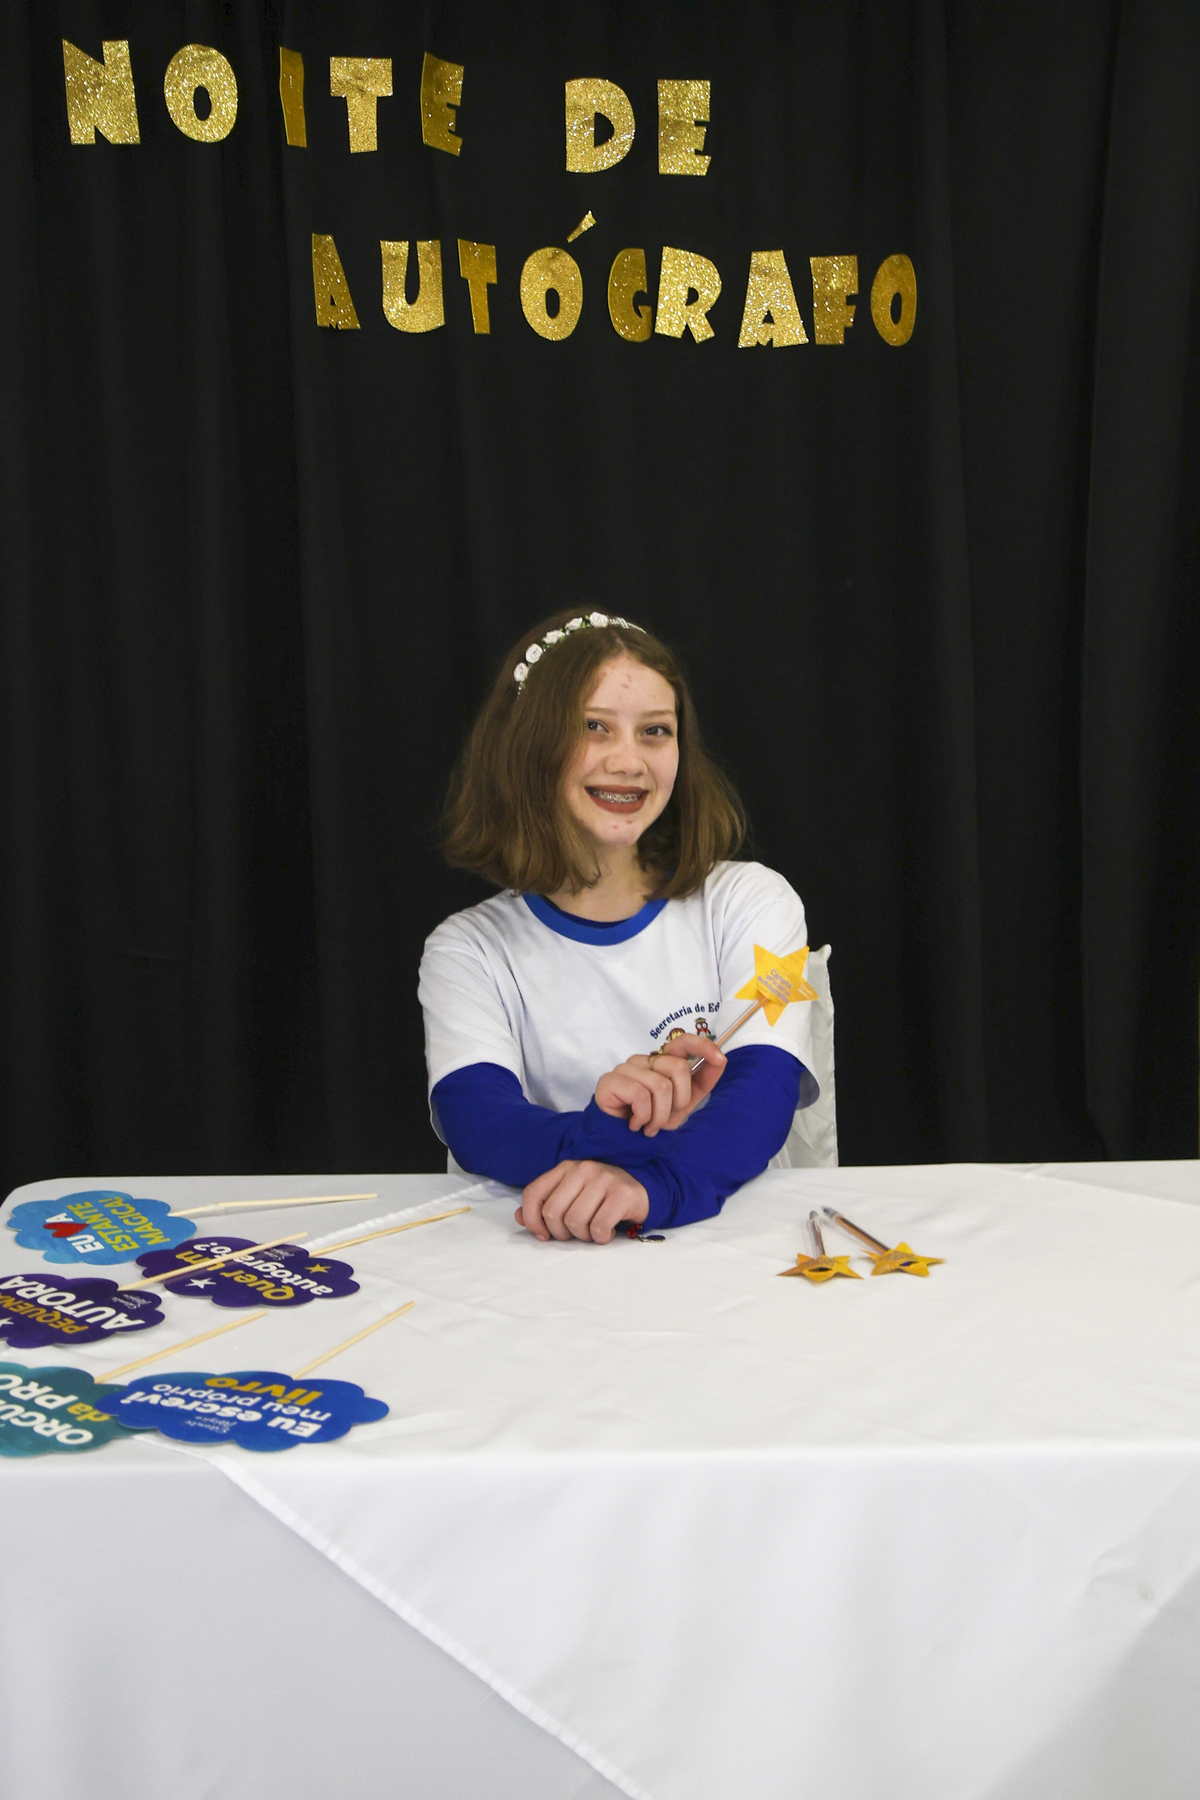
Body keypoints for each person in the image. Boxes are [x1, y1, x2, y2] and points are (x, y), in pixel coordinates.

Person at [419, 608, 820, 1244]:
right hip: (544, 1256)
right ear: (528, 745)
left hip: (728, 1248)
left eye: (655, 731)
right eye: (593, 727)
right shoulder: (466, 950)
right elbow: (481, 1124)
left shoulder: (750, 899)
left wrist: (653, 1189)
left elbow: (760, 1098)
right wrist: (602, 1129)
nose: (629, 760)